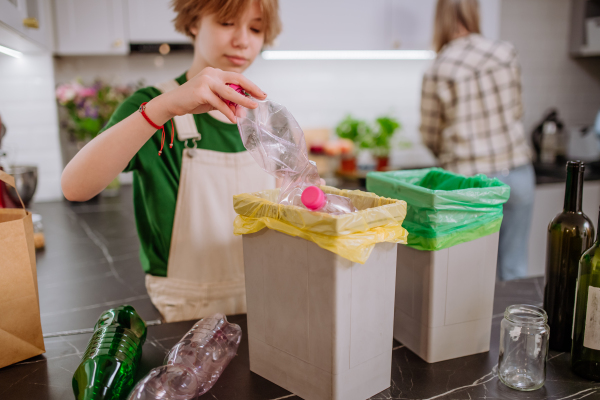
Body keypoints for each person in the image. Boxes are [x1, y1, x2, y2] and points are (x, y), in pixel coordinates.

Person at [61, 0, 282, 322]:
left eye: (256, 28)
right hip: (187, 306)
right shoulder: (151, 106)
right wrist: (165, 108)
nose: (243, 40)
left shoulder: (266, 117)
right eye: (226, 23)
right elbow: (75, 187)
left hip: (268, 294)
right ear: (193, 23)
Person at [420, 0, 534, 281]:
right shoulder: (505, 52)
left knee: (469, 277)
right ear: (475, 12)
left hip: (469, 183)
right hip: (518, 173)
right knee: (514, 269)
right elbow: (518, 110)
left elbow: (430, 134)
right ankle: (512, 327)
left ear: (440, 18)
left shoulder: (440, 67)